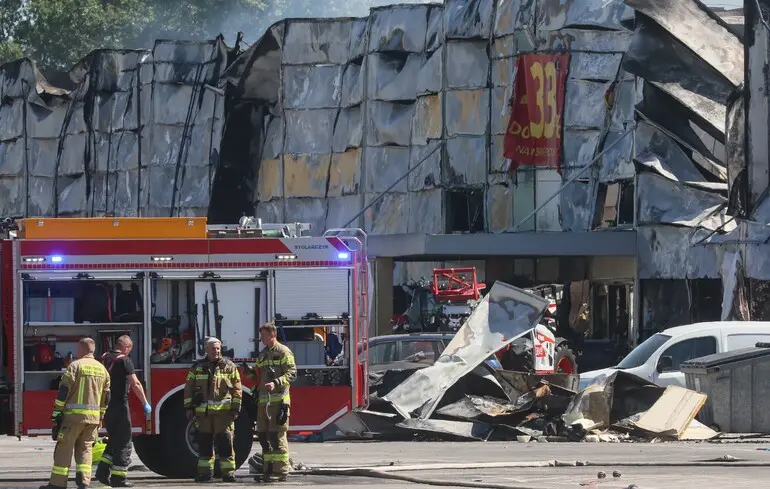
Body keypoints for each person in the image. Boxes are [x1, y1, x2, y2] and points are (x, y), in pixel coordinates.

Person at [41, 337, 111, 489]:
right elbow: (106, 397)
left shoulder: (75, 366)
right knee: (85, 449)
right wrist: (101, 416)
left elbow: (63, 391)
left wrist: (57, 413)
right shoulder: (102, 370)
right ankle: (84, 482)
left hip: (73, 417)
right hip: (93, 419)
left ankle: (57, 484)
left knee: (64, 448)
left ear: (81, 350)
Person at [95, 335, 151, 487]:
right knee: (125, 442)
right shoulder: (124, 360)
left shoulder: (104, 358)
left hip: (105, 406)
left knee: (113, 439)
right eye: (129, 350)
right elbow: (135, 384)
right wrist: (145, 403)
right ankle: (119, 479)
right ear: (126, 347)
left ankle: (102, 472)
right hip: (120, 405)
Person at [184, 337, 242, 483]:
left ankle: (228, 473)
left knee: (225, 444)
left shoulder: (229, 366)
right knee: (204, 444)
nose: (216, 351)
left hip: (224, 414)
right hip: (204, 415)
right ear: (206, 350)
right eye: (213, 348)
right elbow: (189, 388)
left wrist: (235, 409)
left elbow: (237, 390)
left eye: (218, 348)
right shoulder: (197, 367)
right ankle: (204, 473)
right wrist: (189, 406)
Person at [246, 322, 297, 482]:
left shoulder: (283, 351)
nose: (261, 338)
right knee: (263, 436)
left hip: (278, 402)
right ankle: (268, 470)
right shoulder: (263, 354)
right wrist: (249, 373)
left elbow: (292, 373)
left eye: (264, 335)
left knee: (276, 435)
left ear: (272, 335)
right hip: (263, 403)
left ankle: (281, 471)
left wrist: (276, 383)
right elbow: (258, 377)